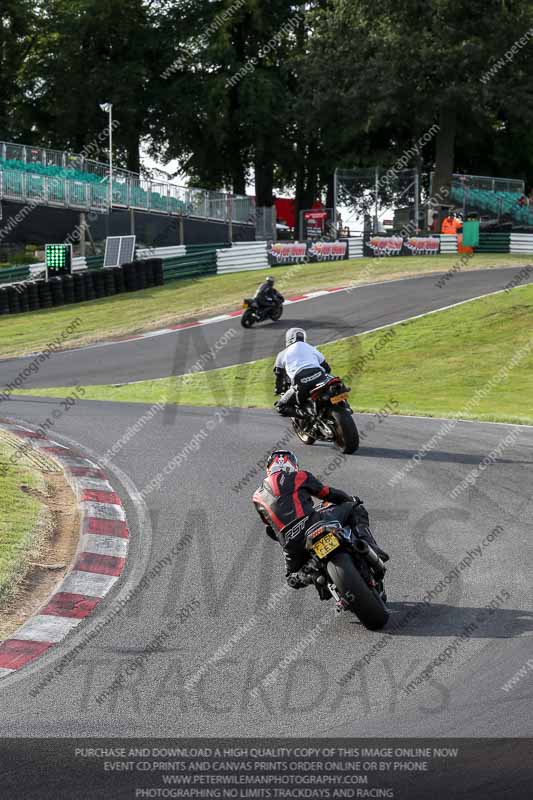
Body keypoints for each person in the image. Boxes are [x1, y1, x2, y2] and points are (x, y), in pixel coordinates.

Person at [252, 450, 389, 595]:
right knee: (356, 509)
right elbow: (328, 493)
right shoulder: (300, 476)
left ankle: (318, 579)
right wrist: (349, 499)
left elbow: (270, 529)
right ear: (293, 465)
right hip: (314, 525)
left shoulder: (256, 497)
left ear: (268, 469)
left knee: (293, 578)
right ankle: (373, 549)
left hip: (292, 546)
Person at [274, 328, 331, 416]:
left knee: (280, 406)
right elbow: (327, 368)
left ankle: (305, 415)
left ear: (288, 338)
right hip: (320, 376)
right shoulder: (312, 348)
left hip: (301, 382)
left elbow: (279, 375)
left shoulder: (282, 354)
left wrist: (278, 390)